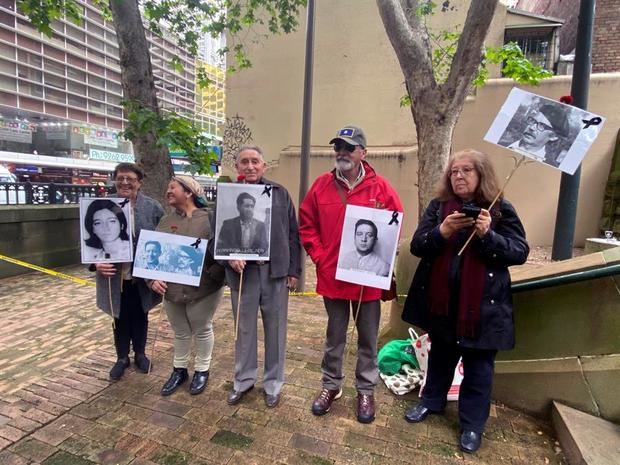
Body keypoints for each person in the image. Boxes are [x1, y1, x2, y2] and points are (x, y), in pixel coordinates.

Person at [401, 149, 529, 453]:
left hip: (482, 309)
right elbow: (419, 245)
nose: (458, 176)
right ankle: (431, 402)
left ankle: (472, 425)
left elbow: (520, 251)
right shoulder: (439, 207)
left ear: (481, 174)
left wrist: (488, 235)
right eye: (454, 171)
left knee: (479, 368)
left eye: (466, 170)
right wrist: (441, 231)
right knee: (440, 358)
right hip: (443, 304)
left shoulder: (499, 210)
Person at [299, 125, 403, 423]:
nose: (342, 153)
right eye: (338, 148)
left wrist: (381, 258)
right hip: (333, 278)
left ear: (363, 153)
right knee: (335, 337)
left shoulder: (381, 188)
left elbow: (394, 230)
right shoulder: (320, 185)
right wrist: (320, 258)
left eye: (349, 147)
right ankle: (330, 386)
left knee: (368, 338)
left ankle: (366, 390)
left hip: (368, 283)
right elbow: (307, 225)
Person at [224, 145, 301, 408]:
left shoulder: (280, 194)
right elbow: (217, 237)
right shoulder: (227, 196)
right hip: (243, 274)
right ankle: (243, 381)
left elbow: (293, 233)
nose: (250, 166)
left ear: (264, 165)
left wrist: (294, 271)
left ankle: (273, 384)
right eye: (244, 162)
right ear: (237, 168)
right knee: (243, 330)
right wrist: (228, 256)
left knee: (275, 330)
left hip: (274, 272)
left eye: (255, 161)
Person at [150, 175, 225, 396]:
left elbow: (223, 252)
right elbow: (151, 254)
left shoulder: (211, 219)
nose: (168, 191)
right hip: (171, 289)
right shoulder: (164, 221)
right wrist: (152, 279)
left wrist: (213, 276)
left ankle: (202, 370)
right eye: (168, 187)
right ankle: (179, 370)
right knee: (180, 331)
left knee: (202, 328)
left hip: (204, 288)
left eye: (173, 187)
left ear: (189, 192)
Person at [93, 163, 164, 380]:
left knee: (141, 313)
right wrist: (95, 263)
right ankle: (122, 357)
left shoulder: (152, 208)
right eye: (120, 178)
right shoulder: (100, 206)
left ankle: (140, 354)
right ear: (114, 180)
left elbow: (164, 238)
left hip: (143, 276)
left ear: (139, 183)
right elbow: (87, 240)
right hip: (115, 276)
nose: (125, 182)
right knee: (119, 316)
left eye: (130, 179)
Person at [506, 103, 570, 167]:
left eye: (542, 126)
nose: (532, 128)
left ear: (553, 137)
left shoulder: (549, 168)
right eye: (532, 121)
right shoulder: (501, 144)